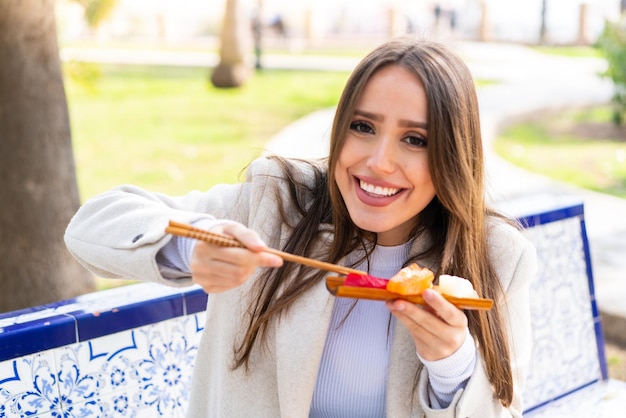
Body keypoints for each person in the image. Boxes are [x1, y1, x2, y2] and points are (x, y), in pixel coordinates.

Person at [65, 37, 536, 417]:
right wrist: (193, 249)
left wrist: (452, 364)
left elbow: (504, 408)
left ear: (454, 154)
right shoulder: (276, 201)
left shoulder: (496, 257)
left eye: (415, 139)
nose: (377, 162)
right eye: (363, 127)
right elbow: (92, 225)